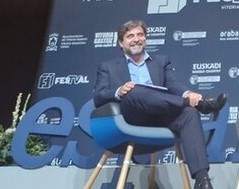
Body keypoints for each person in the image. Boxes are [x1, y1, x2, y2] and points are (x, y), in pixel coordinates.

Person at [94, 19, 227, 189]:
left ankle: (202, 180)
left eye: (140, 34)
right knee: (134, 89)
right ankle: (200, 104)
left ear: (145, 38)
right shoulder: (108, 67)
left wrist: (188, 93)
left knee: (189, 114)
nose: (136, 39)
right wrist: (119, 90)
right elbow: (98, 96)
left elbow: (173, 85)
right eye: (130, 36)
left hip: (161, 114)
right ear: (121, 43)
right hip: (131, 118)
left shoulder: (161, 61)